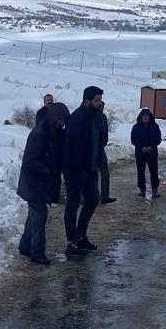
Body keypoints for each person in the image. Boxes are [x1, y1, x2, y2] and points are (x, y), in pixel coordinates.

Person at [16, 99, 66, 265]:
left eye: (63, 120)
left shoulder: (55, 133)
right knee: (39, 214)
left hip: (41, 182)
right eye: (59, 119)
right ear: (53, 118)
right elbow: (29, 161)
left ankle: (25, 245)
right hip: (33, 181)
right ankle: (37, 253)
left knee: (35, 214)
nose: (61, 123)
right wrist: (47, 170)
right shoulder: (39, 134)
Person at [62, 86, 106, 257]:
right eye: (97, 100)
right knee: (73, 203)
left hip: (90, 168)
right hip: (76, 169)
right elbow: (73, 148)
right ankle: (71, 242)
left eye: (100, 100)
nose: (100, 103)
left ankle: (80, 236)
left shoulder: (95, 117)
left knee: (93, 199)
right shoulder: (77, 119)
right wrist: (79, 169)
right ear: (87, 101)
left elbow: (100, 141)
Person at [130, 107, 162, 198]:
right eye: (144, 116)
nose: (145, 117)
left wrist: (151, 147)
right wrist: (141, 147)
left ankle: (155, 190)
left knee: (154, 172)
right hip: (140, 153)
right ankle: (142, 190)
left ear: (150, 117)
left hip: (152, 153)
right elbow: (133, 139)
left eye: (147, 116)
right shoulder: (136, 127)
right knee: (140, 173)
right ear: (140, 117)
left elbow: (158, 139)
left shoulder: (155, 127)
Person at [97, 104, 117, 205]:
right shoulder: (94, 117)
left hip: (99, 148)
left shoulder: (102, 117)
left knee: (104, 172)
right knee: (92, 173)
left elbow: (105, 132)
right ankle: (91, 196)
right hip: (94, 148)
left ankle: (104, 195)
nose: (101, 108)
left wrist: (103, 142)